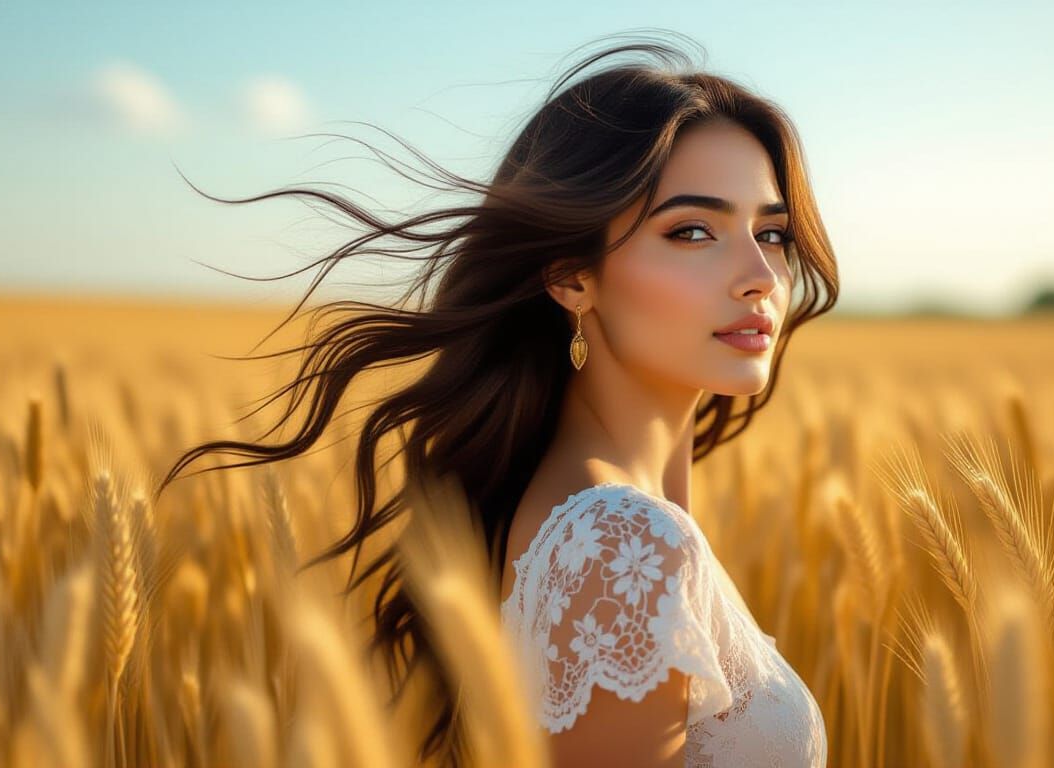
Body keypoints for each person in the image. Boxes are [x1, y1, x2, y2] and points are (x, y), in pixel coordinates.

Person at [158, 30, 836, 767]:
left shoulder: (603, 517)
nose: (761, 276)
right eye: (694, 231)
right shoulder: (623, 544)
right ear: (571, 277)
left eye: (772, 233)